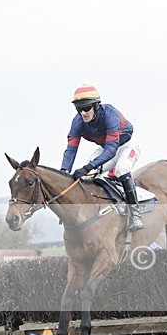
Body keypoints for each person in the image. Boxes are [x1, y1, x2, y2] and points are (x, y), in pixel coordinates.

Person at [61, 84, 146, 231]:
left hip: (126, 147)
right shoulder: (78, 121)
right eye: (79, 109)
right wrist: (64, 171)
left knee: (121, 169)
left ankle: (135, 215)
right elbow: (71, 149)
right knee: (86, 177)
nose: (83, 113)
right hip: (104, 149)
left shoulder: (110, 115)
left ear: (96, 106)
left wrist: (89, 166)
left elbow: (111, 150)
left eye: (87, 108)